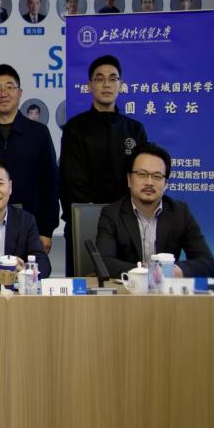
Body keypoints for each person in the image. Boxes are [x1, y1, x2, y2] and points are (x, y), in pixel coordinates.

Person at [60, 55, 148, 276]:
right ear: (89, 86)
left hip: (128, 223)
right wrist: (92, 213)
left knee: (129, 283)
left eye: (112, 78)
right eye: (99, 79)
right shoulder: (75, 128)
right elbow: (72, 180)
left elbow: (140, 177)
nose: (106, 84)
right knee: (84, 286)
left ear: (121, 85)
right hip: (85, 222)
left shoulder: (134, 130)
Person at [0, 64, 59, 253]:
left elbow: (50, 185)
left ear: (20, 93)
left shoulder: (39, 134)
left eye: (9, 87)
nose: (3, 93)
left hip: (31, 229)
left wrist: (46, 230)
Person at [96, 143, 214, 278]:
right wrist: (148, 273)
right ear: (129, 179)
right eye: (142, 174)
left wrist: (175, 271)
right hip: (128, 288)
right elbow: (104, 262)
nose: (149, 182)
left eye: (157, 176)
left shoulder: (180, 212)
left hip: (166, 290)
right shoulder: (112, 214)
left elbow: (207, 263)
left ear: (165, 184)